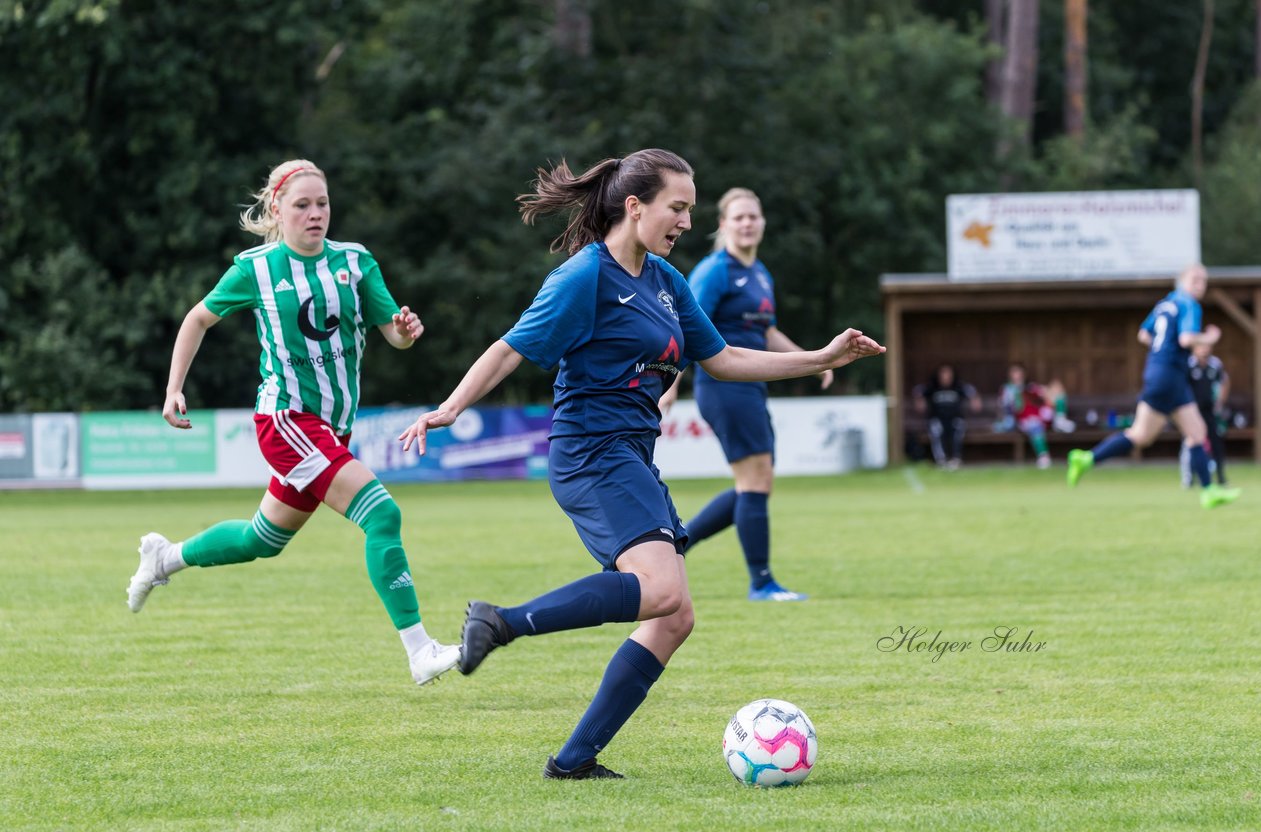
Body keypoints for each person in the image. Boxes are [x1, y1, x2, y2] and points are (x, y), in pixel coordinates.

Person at [398, 149, 884, 779]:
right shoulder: (586, 277)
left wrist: (820, 358)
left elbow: (724, 358)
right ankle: (502, 623)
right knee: (659, 591)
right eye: (676, 208)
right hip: (590, 454)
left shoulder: (663, 279)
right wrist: (451, 407)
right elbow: (510, 348)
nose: (685, 220)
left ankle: (574, 761)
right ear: (634, 206)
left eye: (689, 209)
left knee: (674, 616)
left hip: (631, 456)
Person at [125, 159, 461, 686]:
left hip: (331, 428)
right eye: (301, 205)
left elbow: (392, 333)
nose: (314, 214)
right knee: (382, 516)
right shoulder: (255, 269)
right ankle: (420, 651)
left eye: (322, 203)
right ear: (276, 210)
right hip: (285, 420)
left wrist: (404, 330)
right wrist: (172, 389)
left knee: (261, 540)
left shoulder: (355, 262)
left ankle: (165, 557)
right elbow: (198, 318)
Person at [654, 187, 831, 601]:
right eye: (739, 218)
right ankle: (762, 582)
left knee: (755, 482)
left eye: (753, 216)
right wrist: (670, 384)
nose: (747, 223)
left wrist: (814, 360)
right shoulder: (715, 271)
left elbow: (765, 330)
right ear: (723, 225)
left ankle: (679, 545)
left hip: (752, 386)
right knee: (754, 480)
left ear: (763, 222)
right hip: (724, 386)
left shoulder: (760, 273)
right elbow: (682, 327)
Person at [1067, 263, 1240, 509]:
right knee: (1195, 432)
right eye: (1195, 280)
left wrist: (1162, 353)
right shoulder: (1188, 303)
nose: (1200, 285)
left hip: (1157, 372)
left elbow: (1143, 334)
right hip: (1170, 375)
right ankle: (1208, 490)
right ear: (1182, 282)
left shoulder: (1164, 304)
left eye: (1203, 281)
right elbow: (1187, 339)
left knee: (1145, 434)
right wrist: (1209, 338)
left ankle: (1086, 458)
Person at [912, 363, 981, 470]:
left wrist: (975, 400)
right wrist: (919, 401)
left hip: (955, 419)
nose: (946, 377)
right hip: (937, 419)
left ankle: (955, 458)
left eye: (948, 374)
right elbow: (918, 391)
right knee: (936, 429)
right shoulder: (933, 387)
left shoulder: (958, 386)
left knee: (958, 427)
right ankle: (941, 459)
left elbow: (972, 392)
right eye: (943, 374)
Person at [1180, 341, 1230, 486]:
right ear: (1194, 348)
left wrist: (1220, 401)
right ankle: (1188, 478)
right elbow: (1181, 385)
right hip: (1192, 411)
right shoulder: (1188, 364)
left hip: (1210, 411)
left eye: (1206, 346)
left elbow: (1224, 381)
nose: (1204, 350)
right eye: (1200, 347)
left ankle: (1220, 477)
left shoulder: (1215, 364)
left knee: (1216, 443)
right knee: (1191, 443)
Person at [997, 363, 1054, 469]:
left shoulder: (1031, 387)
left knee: (1035, 424)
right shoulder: (1007, 389)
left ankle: (1043, 456)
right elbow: (1008, 408)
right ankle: (1043, 455)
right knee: (1033, 425)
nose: (1017, 375)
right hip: (1016, 421)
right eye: (1014, 372)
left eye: (1018, 372)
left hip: (1036, 419)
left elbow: (1045, 397)